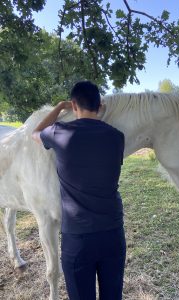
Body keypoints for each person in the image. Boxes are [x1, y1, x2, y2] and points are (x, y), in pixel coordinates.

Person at [32, 81, 126, 300]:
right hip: (113, 234)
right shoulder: (117, 137)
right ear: (100, 106)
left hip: (78, 237)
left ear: (74, 105)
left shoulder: (59, 133)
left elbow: (36, 132)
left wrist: (58, 108)